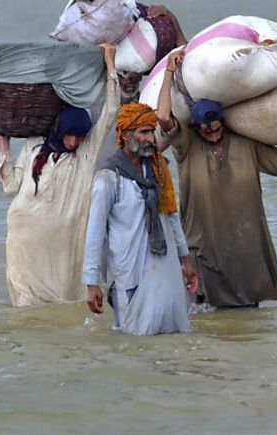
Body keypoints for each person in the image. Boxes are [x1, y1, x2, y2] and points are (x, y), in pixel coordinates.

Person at [156, 50, 277, 308]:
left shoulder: (246, 144)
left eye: (216, 129)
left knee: (247, 308)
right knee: (202, 309)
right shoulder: (186, 145)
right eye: (205, 131)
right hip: (202, 243)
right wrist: (169, 72)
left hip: (244, 243)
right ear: (196, 128)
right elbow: (162, 117)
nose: (212, 135)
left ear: (224, 123)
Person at [0, 44, 119, 307]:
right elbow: (11, 186)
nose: (74, 141)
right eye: (70, 135)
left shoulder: (85, 153)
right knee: (25, 304)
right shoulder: (34, 146)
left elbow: (112, 111)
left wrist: (110, 65)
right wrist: (4, 146)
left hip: (64, 240)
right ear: (59, 130)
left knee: (65, 299)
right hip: (25, 236)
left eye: (80, 136)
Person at [82, 102, 199, 335]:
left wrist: (186, 261)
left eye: (152, 132)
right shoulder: (108, 178)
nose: (151, 139)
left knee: (172, 331)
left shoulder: (159, 170)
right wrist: (91, 282)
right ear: (125, 135)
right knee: (134, 339)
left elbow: (171, 217)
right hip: (129, 272)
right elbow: (95, 233)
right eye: (143, 132)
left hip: (165, 267)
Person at [118, 4, 187, 105]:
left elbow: (185, 57)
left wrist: (172, 20)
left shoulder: (149, 103)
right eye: (123, 74)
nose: (129, 80)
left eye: (133, 76)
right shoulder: (98, 107)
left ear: (141, 75)